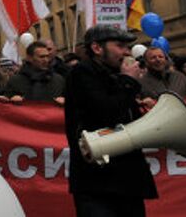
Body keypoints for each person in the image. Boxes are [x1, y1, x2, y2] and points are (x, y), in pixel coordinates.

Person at [64, 25, 157, 216]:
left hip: (127, 181)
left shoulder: (116, 75)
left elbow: (126, 119)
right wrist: (128, 81)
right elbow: (106, 114)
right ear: (97, 48)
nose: (127, 52)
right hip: (97, 183)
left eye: (128, 46)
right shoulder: (82, 73)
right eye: (120, 45)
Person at [0, 41, 65, 105]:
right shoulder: (15, 81)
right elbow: (6, 110)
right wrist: (11, 101)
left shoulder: (58, 80)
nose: (46, 60)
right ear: (29, 58)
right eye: (41, 57)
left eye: (47, 56)